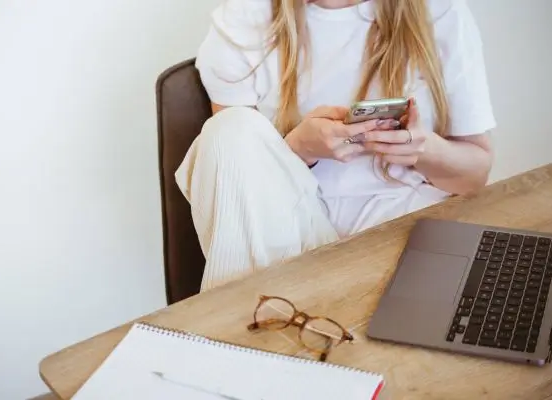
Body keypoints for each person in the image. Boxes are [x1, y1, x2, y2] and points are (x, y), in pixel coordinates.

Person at [175, 0, 496, 292]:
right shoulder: (244, 19)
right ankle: (247, 324)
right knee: (229, 129)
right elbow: (234, 178)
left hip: (402, 229)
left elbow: (474, 174)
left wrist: (422, 150)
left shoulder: (440, 12)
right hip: (291, 236)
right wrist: (299, 148)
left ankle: (240, 331)